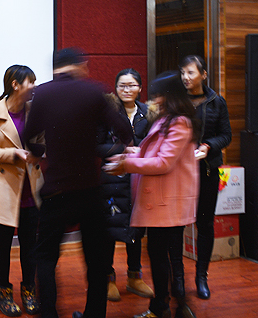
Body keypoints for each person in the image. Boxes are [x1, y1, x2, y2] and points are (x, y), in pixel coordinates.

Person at [23, 47, 133, 318]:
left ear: (56, 68)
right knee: (96, 261)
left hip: (56, 190)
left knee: (46, 258)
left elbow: (29, 135)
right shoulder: (94, 91)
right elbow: (124, 130)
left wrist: (38, 152)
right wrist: (118, 150)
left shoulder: (43, 93)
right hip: (89, 191)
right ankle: (94, 313)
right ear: (79, 65)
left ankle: (49, 314)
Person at [107, 71, 200, 318]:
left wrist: (126, 164)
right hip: (161, 201)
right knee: (161, 255)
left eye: (159, 95)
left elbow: (163, 162)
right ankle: (171, 305)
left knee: (163, 256)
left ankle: (166, 307)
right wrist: (128, 156)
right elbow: (152, 153)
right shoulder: (166, 119)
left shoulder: (180, 123)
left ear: (170, 96)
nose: (155, 100)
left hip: (168, 202)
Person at [0, 65, 44, 316]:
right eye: (30, 82)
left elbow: (42, 144)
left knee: (30, 245)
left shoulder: (35, 111)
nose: (34, 86)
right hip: (5, 188)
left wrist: (40, 151)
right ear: (15, 85)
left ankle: (29, 291)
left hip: (31, 187)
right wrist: (13, 154)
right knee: (3, 243)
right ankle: (4, 294)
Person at [97, 68, 155, 302]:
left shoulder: (148, 113)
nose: (126, 90)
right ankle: (108, 278)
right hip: (112, 179)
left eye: (131, 85)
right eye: (122, 85)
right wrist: (123, 150)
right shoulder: (107, 112)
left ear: (140, 88)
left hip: (139, 179)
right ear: (116, 88)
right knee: (109, 230)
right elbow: (96, 145)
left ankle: (134, 277)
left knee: (136, 229)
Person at [180, 55, 232, 300]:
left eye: (190, 72)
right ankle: (177, 279)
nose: (185, 77)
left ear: (203, 75)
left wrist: (209, 146)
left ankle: (202, 277)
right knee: (176, 225)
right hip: (179, 172)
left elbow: (226, 135)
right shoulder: (176, 100)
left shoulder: (216, 102)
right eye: (182, 73)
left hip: (207, 169)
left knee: (205, 224)